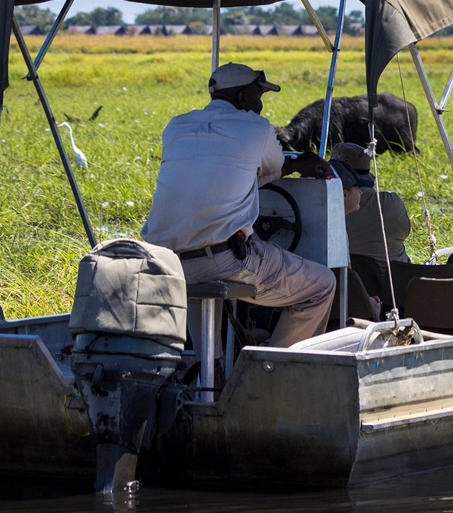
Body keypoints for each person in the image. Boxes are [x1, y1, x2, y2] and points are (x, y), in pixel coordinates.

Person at [139, 63, 339, 348]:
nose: (259, 105)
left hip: (165, 261)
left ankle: (210, 367)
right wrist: (297, 165)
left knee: (196, 261)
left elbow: (217, 176)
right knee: (322, 285)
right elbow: (273, 167)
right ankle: (267, 369)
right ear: (244, 96)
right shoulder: (255, 127)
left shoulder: (177, 125)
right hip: (222, 263)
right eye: (258, 95)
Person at [328, 142, 412, 314]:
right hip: (391, 297)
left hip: (340, 298)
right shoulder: (389, 205)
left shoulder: (319, 210)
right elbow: (405, 233)